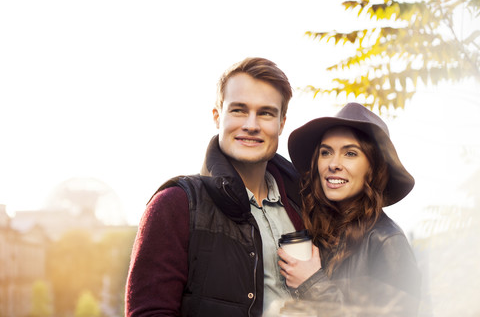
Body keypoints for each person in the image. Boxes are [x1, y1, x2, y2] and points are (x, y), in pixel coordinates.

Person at [125, 57, 304, 317]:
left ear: (282, 123)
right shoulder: (175, 204)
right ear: (217, 116)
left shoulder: (305, 205)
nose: (251, 125)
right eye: (239, 110)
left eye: (265, 113)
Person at [278, 102, 421, 316]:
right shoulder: (319, 229)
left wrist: (312, 282)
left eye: (350, 153)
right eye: (326, 152)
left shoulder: (387, 241)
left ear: (373, 168)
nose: (333, 164)